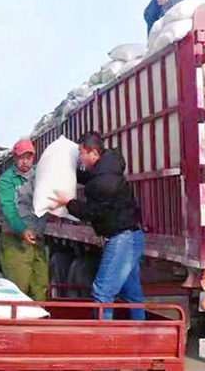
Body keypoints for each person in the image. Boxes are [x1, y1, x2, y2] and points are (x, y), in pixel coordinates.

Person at [49, 131, 144, 320]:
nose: (80, 158)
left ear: (93, 153)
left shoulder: (104, 182)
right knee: (131, 294)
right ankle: (142, 336)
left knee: (102, 292)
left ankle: (103, 342)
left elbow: (89, 212)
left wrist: (67, 202)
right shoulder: (107, 166)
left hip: (122, 240)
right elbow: (90, 177)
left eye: (82, 153)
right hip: (131, 237)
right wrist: (68, 172)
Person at [0, 139, 49, 301]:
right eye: (21, 157)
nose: (25, 161)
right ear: (14, 158)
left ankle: (37, 323)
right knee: (19, 289)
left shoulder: (39, 176)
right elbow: (9, 211)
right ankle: (17, 324)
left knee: (40, 285)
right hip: (15, 241)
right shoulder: (6, 180)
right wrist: (22, 229)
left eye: (29, 157)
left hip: (37, 240)